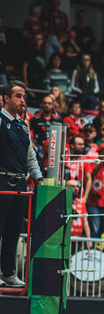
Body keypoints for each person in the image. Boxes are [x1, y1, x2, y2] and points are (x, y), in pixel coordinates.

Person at [0, 82, 44, 287]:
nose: (22, 100)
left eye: (23, 96)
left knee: (13, 232)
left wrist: (39, 179)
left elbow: (31, 158)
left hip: (20, 185)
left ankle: (7, 273)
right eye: (18, 96)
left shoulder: (23, 126)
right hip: (1, 181)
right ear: (6, 98)